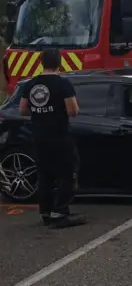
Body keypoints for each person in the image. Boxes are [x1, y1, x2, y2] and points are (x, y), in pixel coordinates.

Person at [19, 48, 85, 229]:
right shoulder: (63, 84)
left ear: (41, 62)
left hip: (39, 136)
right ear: (59, 62)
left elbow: (23, 110)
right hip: (60, 136)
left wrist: (40, 112)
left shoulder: (31, 84)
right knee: (67, 174)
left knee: (45, 175)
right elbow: (72, 110)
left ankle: (46, 212)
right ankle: (60, 212)